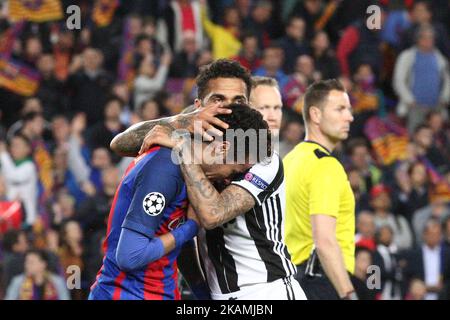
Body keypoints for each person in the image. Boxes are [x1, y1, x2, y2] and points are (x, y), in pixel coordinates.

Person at [111, 60, 305, 300]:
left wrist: (183, 148)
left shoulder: (261, 157)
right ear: (198, 106)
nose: (227, 108)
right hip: (219, 295)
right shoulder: (189, 145)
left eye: (238, 101)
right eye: (218, 99)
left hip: (266, 292)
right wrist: (180, 122)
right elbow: (120, 144)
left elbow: (212, 215)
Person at [89, 102, 270, 300]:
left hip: (160, 292)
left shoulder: (189, 172)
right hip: (124, 294)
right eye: (234, 171)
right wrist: (191, 227)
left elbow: (174, 241)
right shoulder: (165, 167)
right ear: (223, 148)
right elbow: (130, 256)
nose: (228, 180)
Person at [283, 79, 357, 300]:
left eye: (350, 110)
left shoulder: (290, 160)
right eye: (340, 109)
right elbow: (324, 240)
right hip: (323, 281)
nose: (350, 117)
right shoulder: (326, 165)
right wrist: (348, 293)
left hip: (291, 280)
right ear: (315, 115)